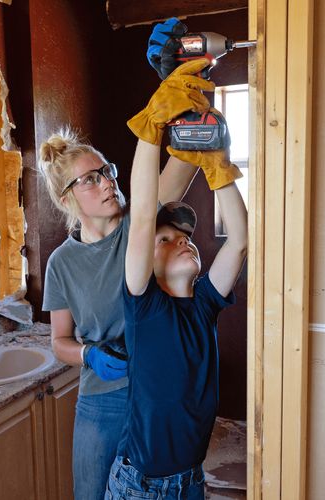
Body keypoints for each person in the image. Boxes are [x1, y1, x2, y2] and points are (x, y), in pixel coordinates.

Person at [37, 59, 213, 500]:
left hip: (156, 388)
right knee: (93, 492)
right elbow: (59, 340)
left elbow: (184, 165)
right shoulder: (62, 263)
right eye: (91, 179)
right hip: (103, 397)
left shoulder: (142, 227)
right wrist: (91, 356)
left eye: (109, 171)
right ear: (68, 197)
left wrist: (186, 100)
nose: (108, 183)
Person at [104, 58, 247, 499]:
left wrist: (218, 167)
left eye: (185, 237)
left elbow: (239, 241)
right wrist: (153, 125)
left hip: (191, 481)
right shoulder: (143, 304)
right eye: (164, 241)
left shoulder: (203, 304)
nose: (182, 241)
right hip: (140, 486)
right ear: (149, 261)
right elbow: (143, 213)